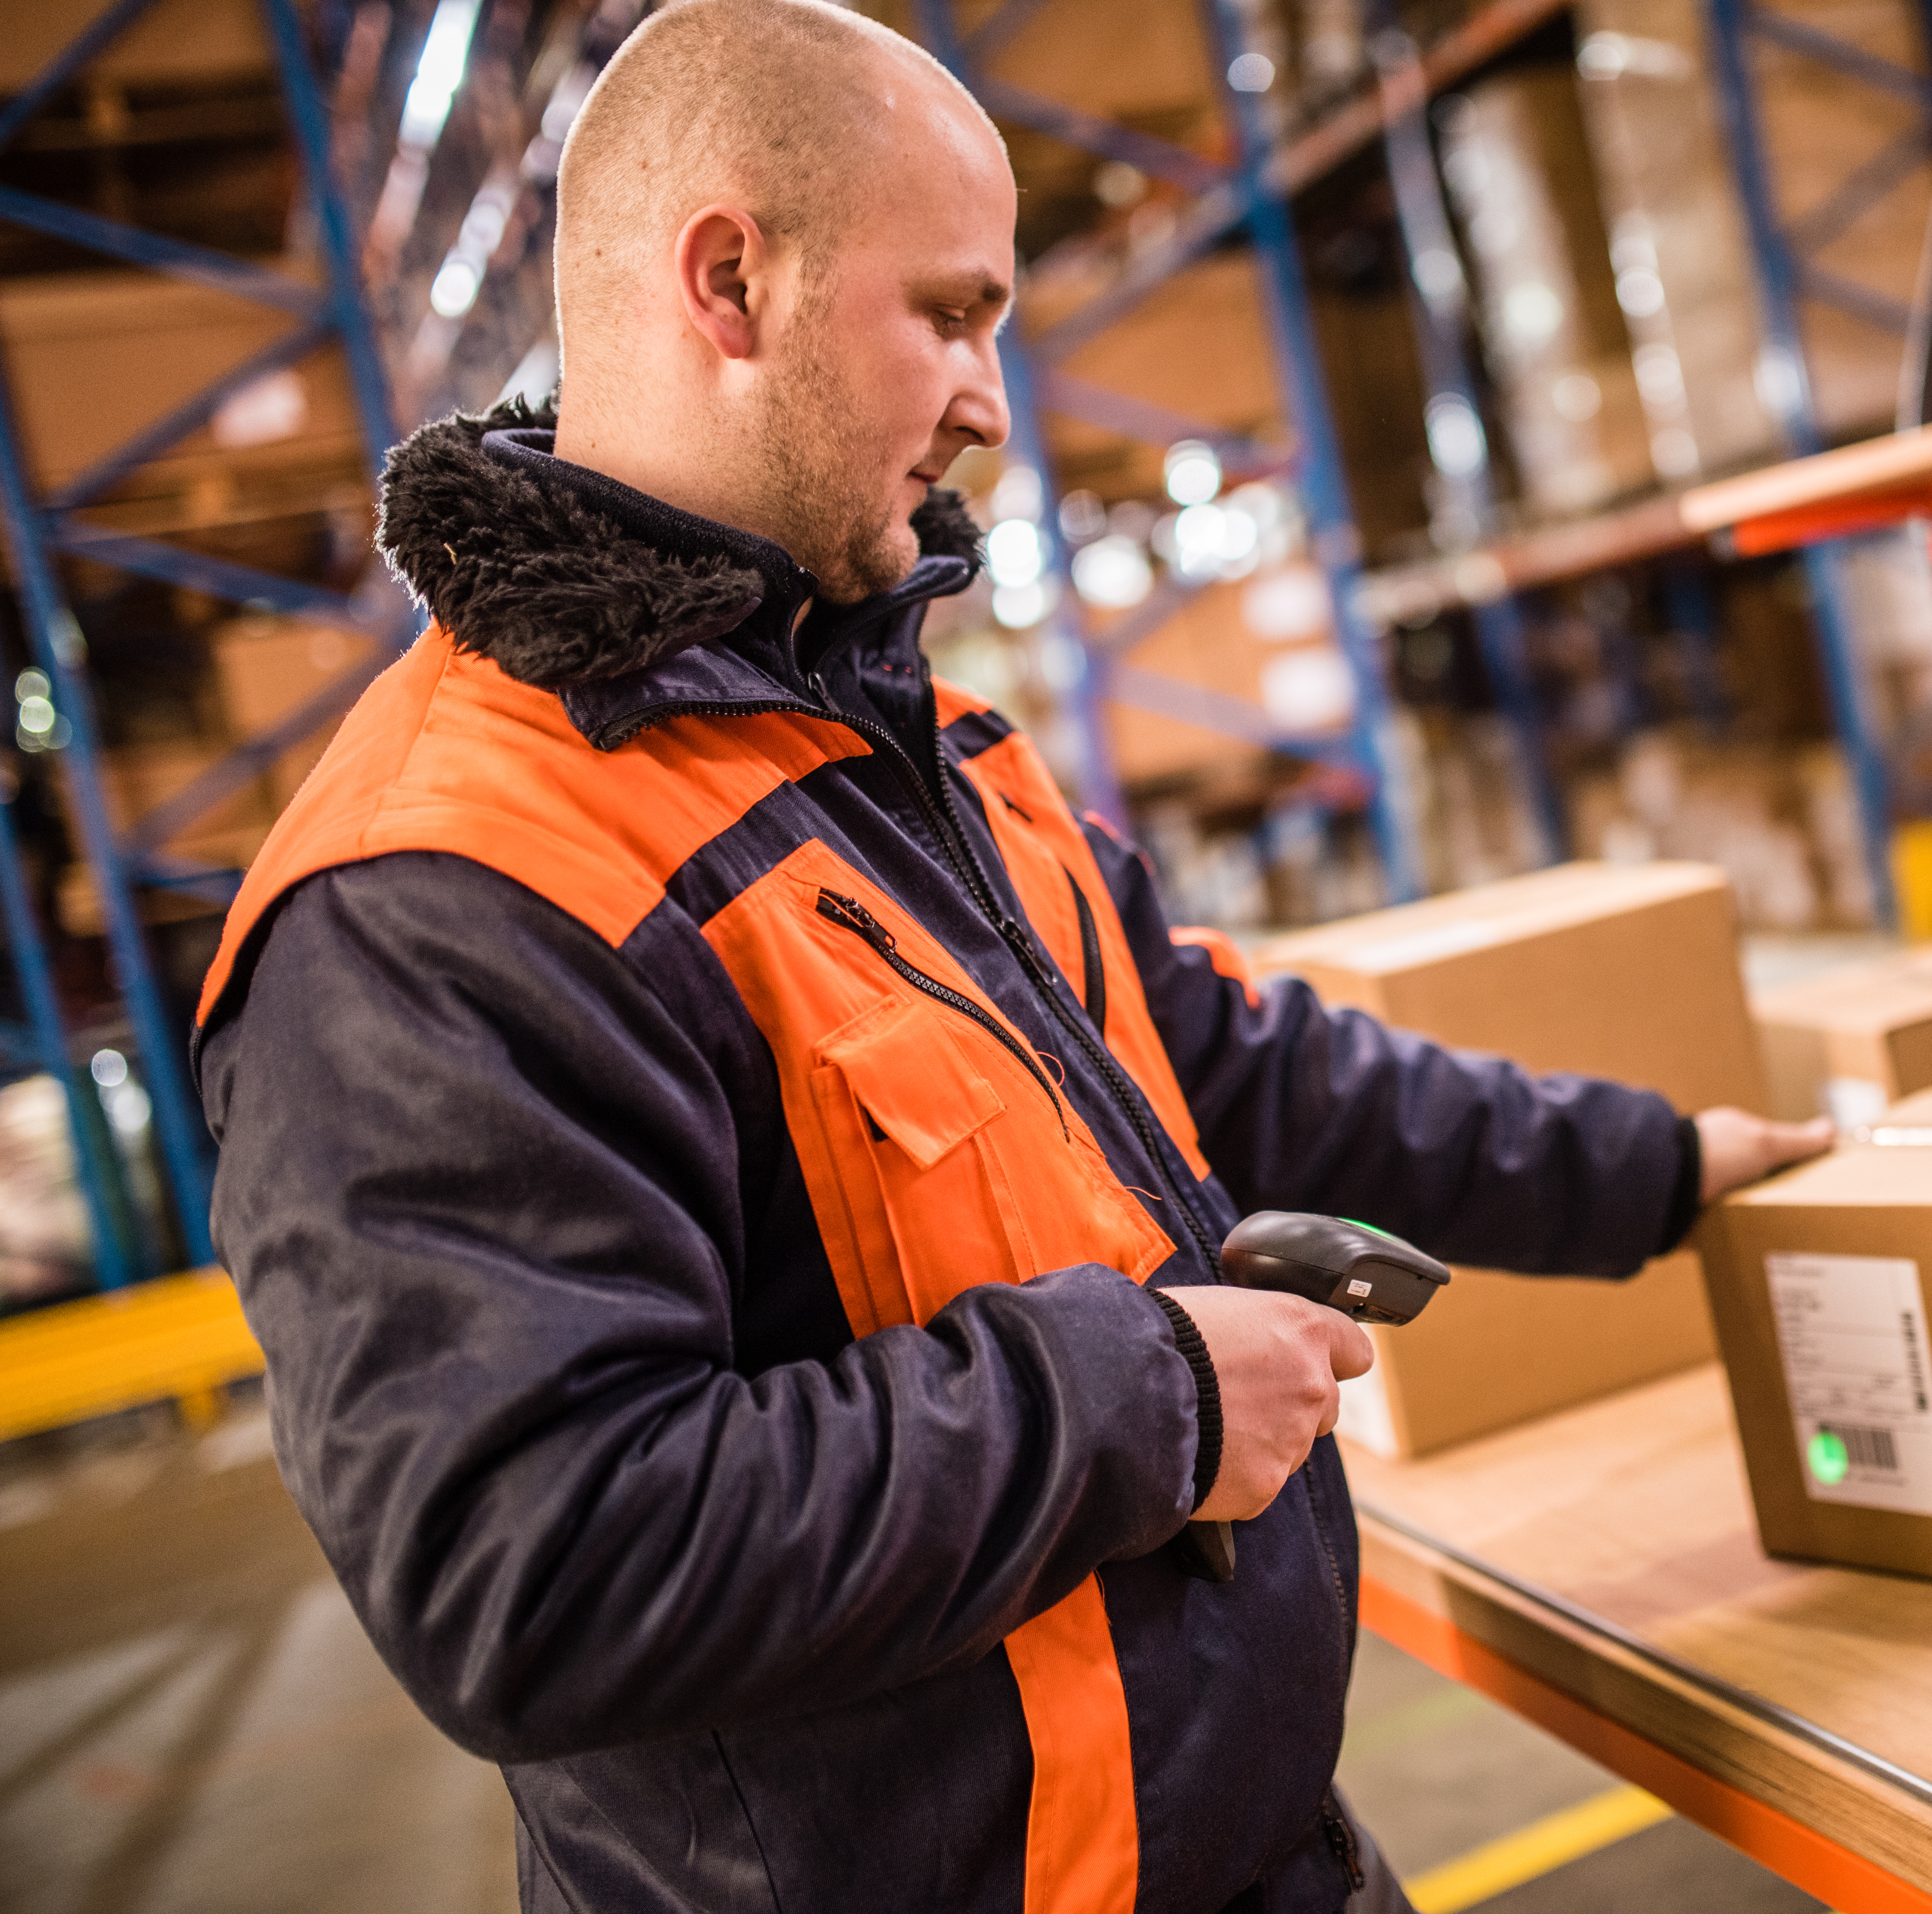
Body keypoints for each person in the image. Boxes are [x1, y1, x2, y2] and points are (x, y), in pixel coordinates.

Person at [194, 3, 1831, 1910]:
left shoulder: (909, 748)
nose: (992, 401)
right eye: (954, 317)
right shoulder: (437, 900)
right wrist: (1151, 1396)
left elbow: (1232, 1065)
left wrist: (1661, 1167)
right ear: (732, 282)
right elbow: (539, 1567)